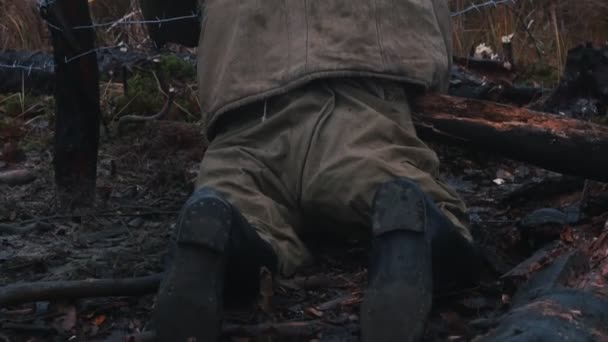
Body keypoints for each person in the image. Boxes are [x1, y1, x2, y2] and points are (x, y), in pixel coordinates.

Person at [140, 1, 481, 341]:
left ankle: (221, 232)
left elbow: (168, 21)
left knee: (237, 195)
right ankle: (405, 229)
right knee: (394, 183)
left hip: (247, 96)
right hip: (363, 81)